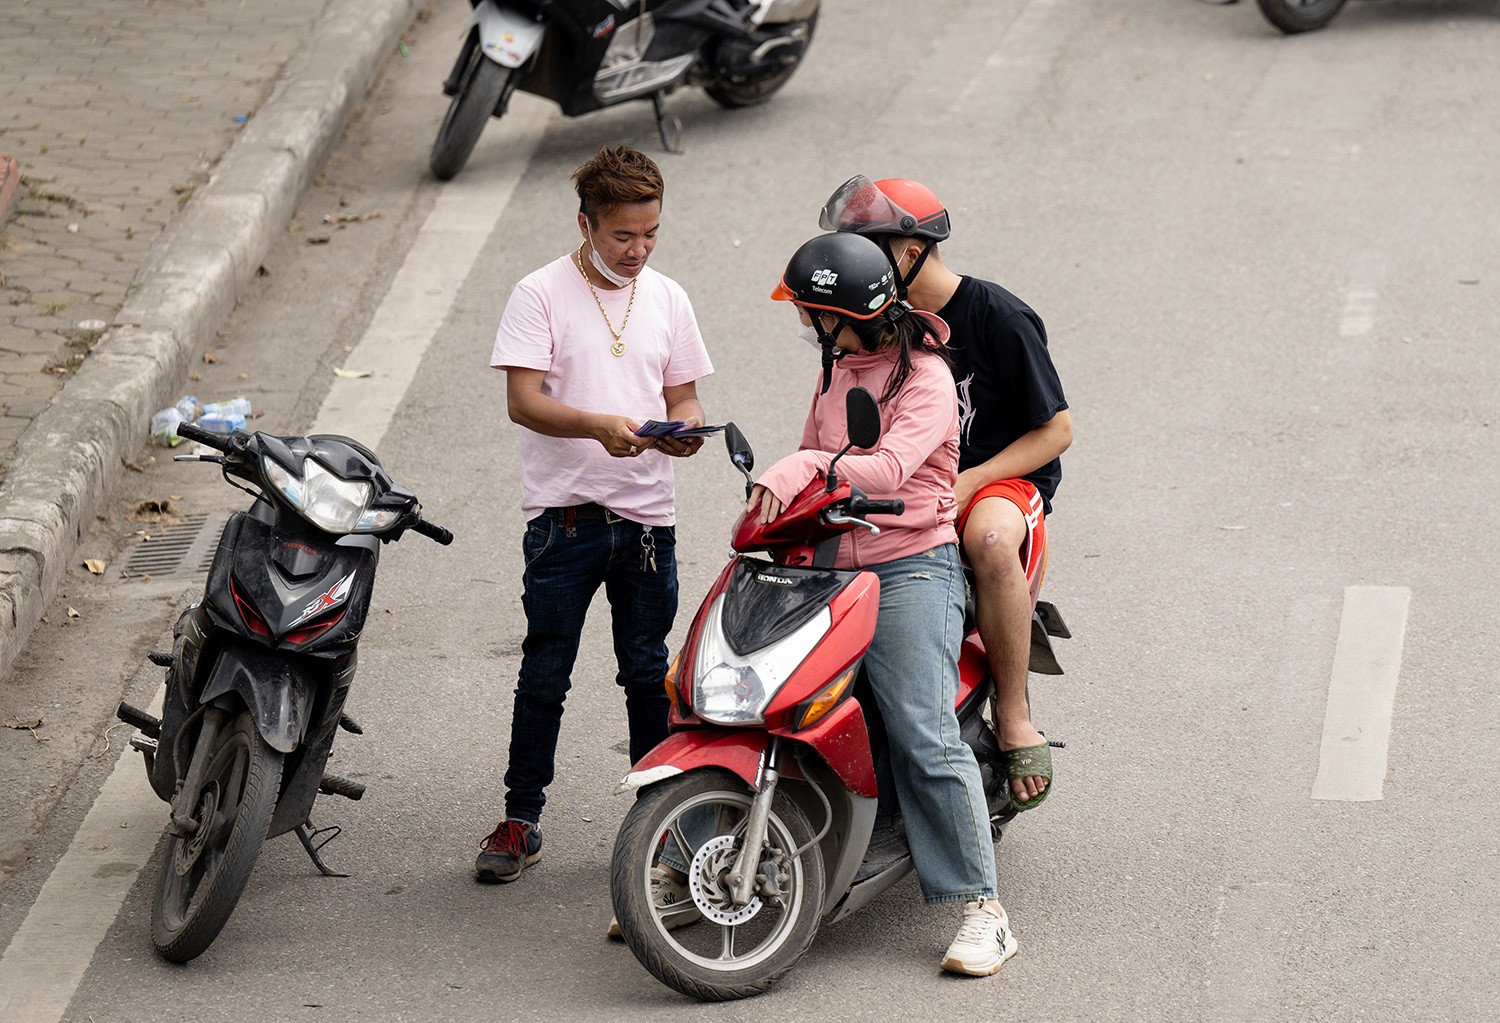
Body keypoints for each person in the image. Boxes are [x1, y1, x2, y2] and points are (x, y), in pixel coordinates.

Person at [751, 231, 1017, 977]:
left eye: (811, 311)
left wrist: (803, 463)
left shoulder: (927, 377)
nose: (805, 322)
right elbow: (815, 452)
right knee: (762, 700)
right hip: (828, 564)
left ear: (843, 313)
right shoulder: (836, 367)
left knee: (922, 728)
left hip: (911, 569)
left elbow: (891, 468)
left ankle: (983, 908)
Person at [479, 144, 713, 884]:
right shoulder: (539, 293)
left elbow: (683, 395)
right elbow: (525, 401)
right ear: (585, 223)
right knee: (545, 670)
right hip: (564, 521)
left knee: (648, 672)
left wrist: (687, 430)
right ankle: (521, 818)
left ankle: (661, 824)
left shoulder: (669, 297)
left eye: (651, 234)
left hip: (647, 519)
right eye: (623, 235)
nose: (638, 249)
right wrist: (599, 426)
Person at [819, 176, 1072, 812]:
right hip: (905, 479)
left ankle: (1014, 716)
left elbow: (1057, 430)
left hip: (997, 480)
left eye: (867, 250)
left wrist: (969, 482)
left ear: (907, 252)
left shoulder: (996, 315)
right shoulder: (871, 323)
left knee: (986, 538)